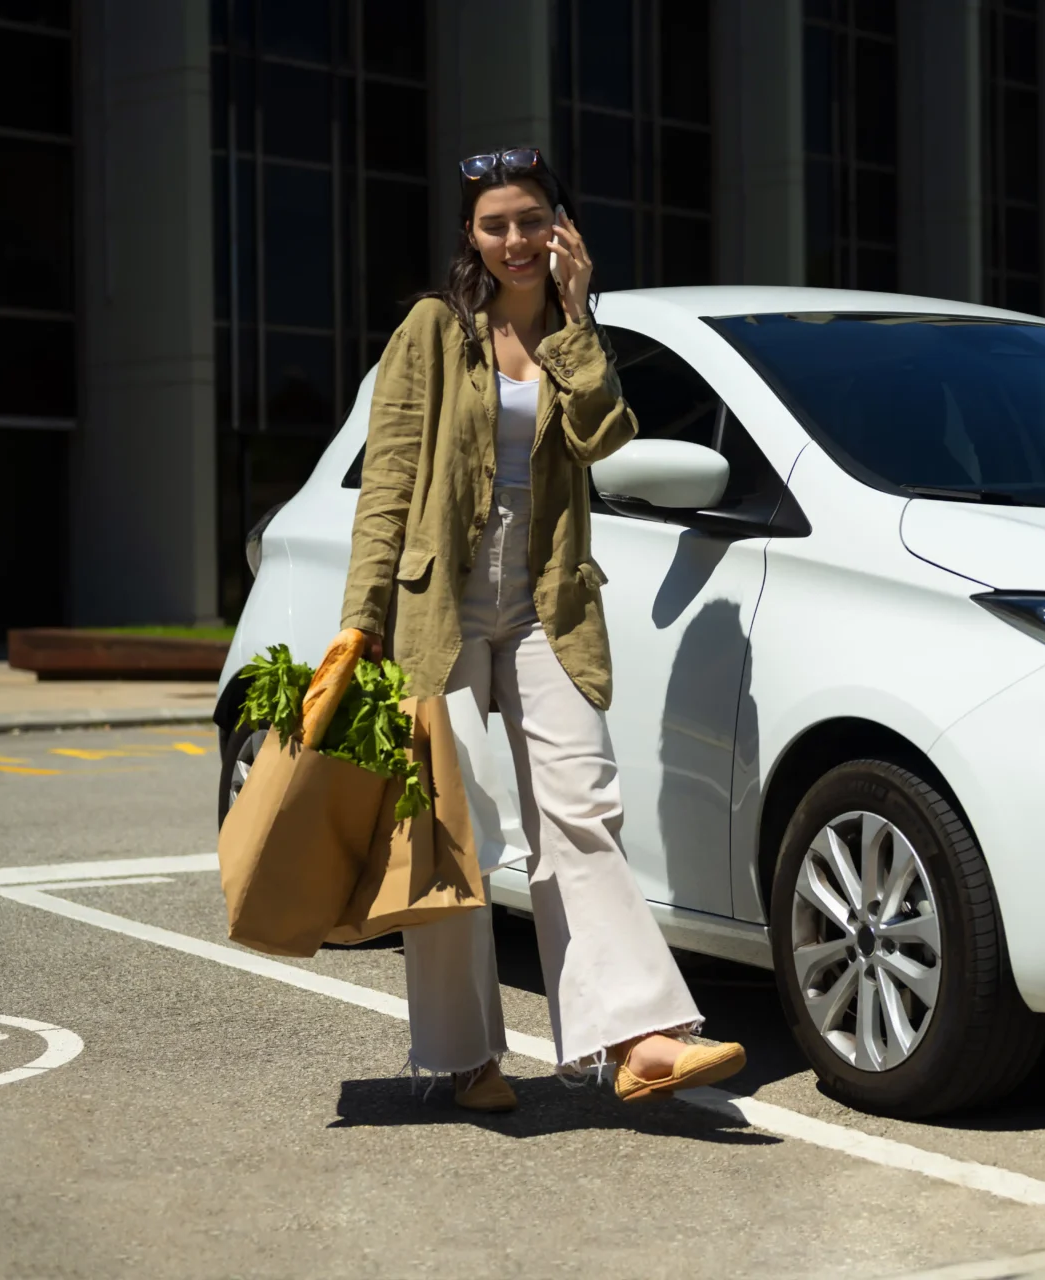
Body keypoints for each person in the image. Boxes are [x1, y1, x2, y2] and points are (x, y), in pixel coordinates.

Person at [333, 146, 745, 1112]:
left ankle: (637, 1039)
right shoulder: (433, 331)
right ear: (470, 235)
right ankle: (463, 1056)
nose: (515, 240)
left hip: (544, 606)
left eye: (531, 220)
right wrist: (362, 624)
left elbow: (608, 438)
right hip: (441, 606)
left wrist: (581, 315)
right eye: (495, 224)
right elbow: (388, 482)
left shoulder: (570, 333)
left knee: (582, 805)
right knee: (453, 826)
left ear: (562, 227)